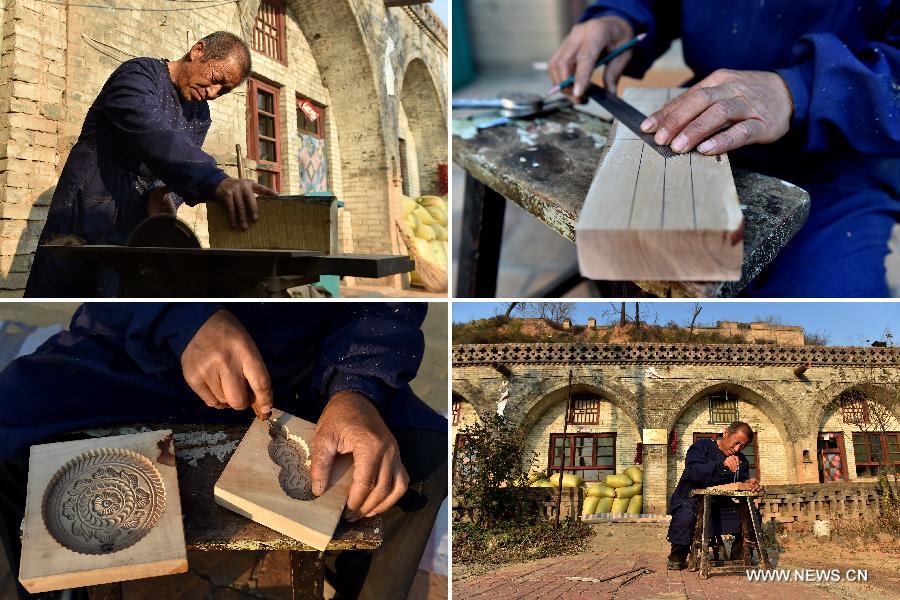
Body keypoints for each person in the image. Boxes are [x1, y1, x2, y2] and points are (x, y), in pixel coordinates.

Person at [0, 303, 446, 599]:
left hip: (302, 371)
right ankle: (62, 586)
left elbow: (384, 313)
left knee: (422, 456)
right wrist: (183, 317)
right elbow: (107, 281)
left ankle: (354, 576)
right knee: (11, 418)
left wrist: (357, 388)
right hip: (133, 355)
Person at [549, 1, 900, 297]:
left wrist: (800, 89)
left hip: (843, 154)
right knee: (633, 289)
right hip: (708, 119)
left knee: (832, 333)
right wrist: (618, 15)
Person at [25, 31, 276, 297]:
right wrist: (215, 181)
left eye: (223, 90)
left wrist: (167, 199)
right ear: (198, 50)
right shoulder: (138, 76)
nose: (213, 93)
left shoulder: (199, 115)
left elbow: (174, 175)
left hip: (131, 228)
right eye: (216, 79)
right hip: (83, 210)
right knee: (57, 305)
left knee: (111, 310)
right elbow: (153, 135)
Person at [665, 421, 761, 570]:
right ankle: (679, 553)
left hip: (719, 505)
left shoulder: (741, 460)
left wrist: (750, 483)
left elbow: (741, 481)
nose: (737, 449)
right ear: (726, 433)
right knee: (686, 514)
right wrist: (722, 465)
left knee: (750, 513)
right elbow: (692, 472)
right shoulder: (701, 447)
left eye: (742, 446)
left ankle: (740, 553)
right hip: (693, 501)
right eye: (735, 443)